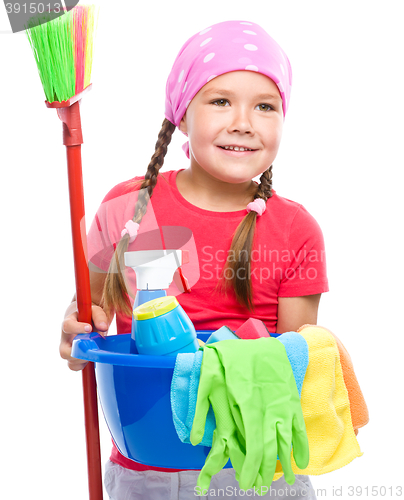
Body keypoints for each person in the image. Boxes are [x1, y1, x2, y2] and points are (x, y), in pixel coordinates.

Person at [60, 20, 328, 499]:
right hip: (148, 464)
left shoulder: (295, 229)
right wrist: (78, 326)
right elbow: (92, 308)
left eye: (265, 106)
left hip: (257, 465)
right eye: (220, 100)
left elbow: (293, 359)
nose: (243, 121)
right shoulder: (126, 208)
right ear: (181, 114)